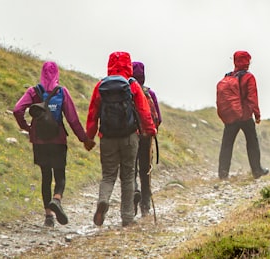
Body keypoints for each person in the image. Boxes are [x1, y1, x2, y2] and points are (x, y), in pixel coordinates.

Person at [13, 61, 95, 227]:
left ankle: (48, 216)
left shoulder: (34, 91)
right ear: (57, 74)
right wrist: (84, 139)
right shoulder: (62, 92)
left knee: (45, 176)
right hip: (58, 140)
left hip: (39, 141)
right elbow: (72, 119)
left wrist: (27, 128)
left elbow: (17, 110)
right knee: (60, 175)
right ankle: (56, 199)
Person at [85, 51, 157, 227]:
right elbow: (143, 111)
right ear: (129, 65)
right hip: (130, 137)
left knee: (108, 175)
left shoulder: (101, 86)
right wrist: (150, 130)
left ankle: (103, 201)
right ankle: (127, 217)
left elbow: (93, 114)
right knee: (127, 176)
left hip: (107, 138)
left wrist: (89, 137)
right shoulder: (132, 85)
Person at [217, 50, 269, 180]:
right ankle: (257, 170)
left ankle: (223, 174)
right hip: (245, 116)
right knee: (252, 142)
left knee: (227, 144)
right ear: (247, 61)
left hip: (231, 116)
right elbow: (252, 97)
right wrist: (257, 114)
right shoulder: (248, 77)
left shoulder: (228, 76)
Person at [132, 60, 162, 218]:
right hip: (147, 136)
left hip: (131, 135)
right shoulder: (150, 93)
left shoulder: (127, 91)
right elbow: (159, 118)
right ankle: (145, 205)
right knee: (145, 170)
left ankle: (134, 191)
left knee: (132, 168)